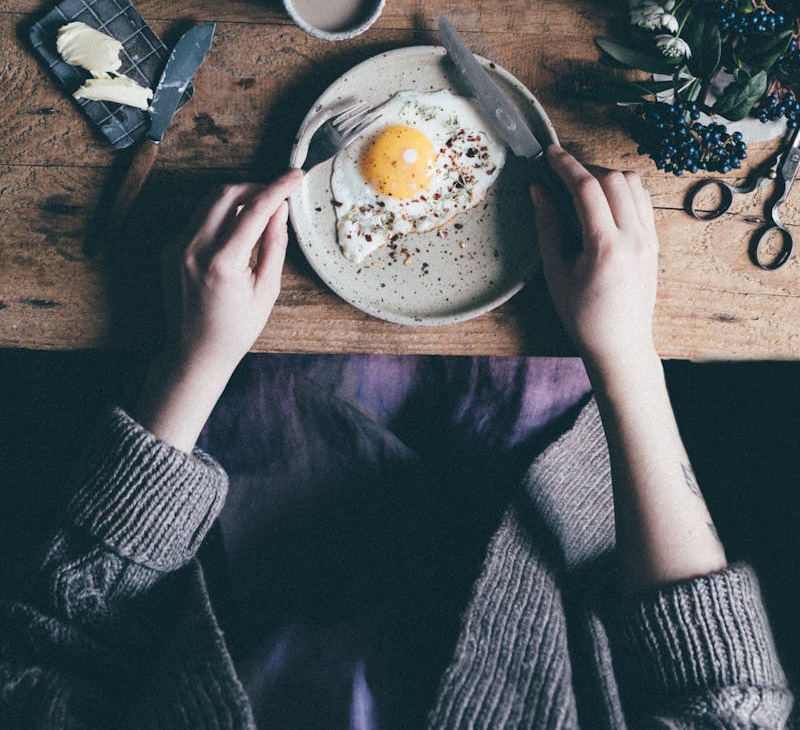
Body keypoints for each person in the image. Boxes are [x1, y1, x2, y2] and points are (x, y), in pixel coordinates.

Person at [0, 147, 793, 728]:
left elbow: (55, 645)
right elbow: (726, 703)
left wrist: (190, 362)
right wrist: (626, 353)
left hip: (227, 492)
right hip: (550, 483)